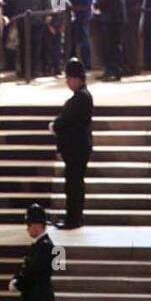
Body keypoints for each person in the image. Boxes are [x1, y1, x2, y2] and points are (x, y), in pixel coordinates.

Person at [52, 58, 92, 230]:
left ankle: (73, 218)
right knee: (73, 184)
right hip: (77, 147)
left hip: (77, 148)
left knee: (74, 185)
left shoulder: (81, 98)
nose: (68, 82)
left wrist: (55, 125)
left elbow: (67, 121)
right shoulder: (81, 96)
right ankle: (74, 215)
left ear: (77, 79)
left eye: (69, 78)